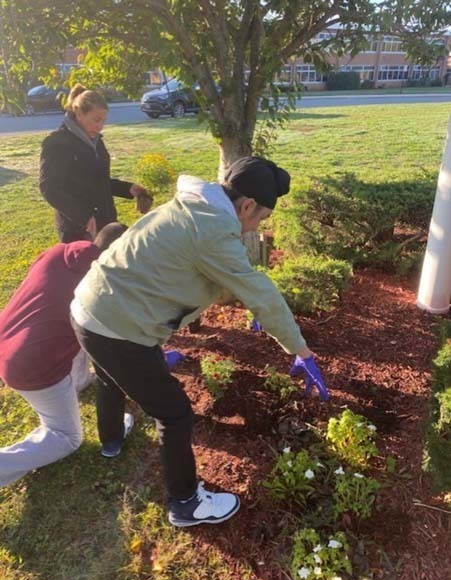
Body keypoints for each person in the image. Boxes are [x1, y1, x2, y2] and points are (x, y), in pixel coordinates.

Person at [70, 156, 329, 528]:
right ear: (247, 205)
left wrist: (243, 295)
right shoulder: (213, 230)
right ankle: (185, 503)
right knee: (174, 414)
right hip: (116, 326)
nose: (254, 228)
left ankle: (112, 439)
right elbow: (262, 292)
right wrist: (300, 351)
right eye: (260, 220)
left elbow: (193, 271)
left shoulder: (192, 207)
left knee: (114, 376)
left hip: (91, 306)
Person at [0, 222, 128, 488]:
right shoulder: (100, 284)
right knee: (66, 437)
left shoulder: (58, 252)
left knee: (76, 323)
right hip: (30, 365)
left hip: (8, 338)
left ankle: (78, 380)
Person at [39, 83, 152, 243]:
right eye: (96, 120)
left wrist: (128, 189)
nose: (100, 127)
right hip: (78, 230)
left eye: (103, 122)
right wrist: (83, 217)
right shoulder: (57, 143)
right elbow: (49, 188)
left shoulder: (96, 141)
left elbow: (98, 180)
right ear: (78, 112)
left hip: (105, 222)